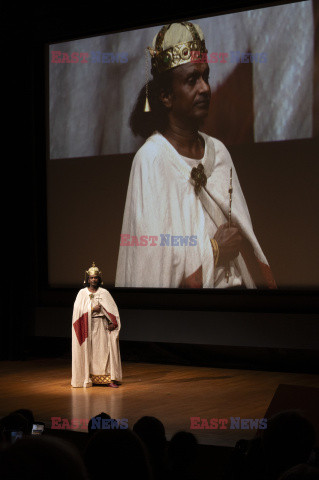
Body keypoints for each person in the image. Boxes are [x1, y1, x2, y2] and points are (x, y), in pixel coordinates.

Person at [115, 21, 276, 289]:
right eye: (192, 80)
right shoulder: (151, 160)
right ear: (166, 96)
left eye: (206, 77)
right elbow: (151, 266)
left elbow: (245, 243)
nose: (205, 88)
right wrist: (214, 250)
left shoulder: (219, 151)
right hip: (186, 317)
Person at [71, 262, 122, 388]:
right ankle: (88, 377)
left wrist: (112, 323)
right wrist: (92, 309)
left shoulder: (104, 293)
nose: (94, 280)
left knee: (105, 352)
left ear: (99, 279)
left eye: (96, 278)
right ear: (88, 279)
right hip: (88, 327)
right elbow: (77, 313)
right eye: (91, 278)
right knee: (89, 352)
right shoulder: (82, 293)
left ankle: (109, 379)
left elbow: (113, 312)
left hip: (102, 326)